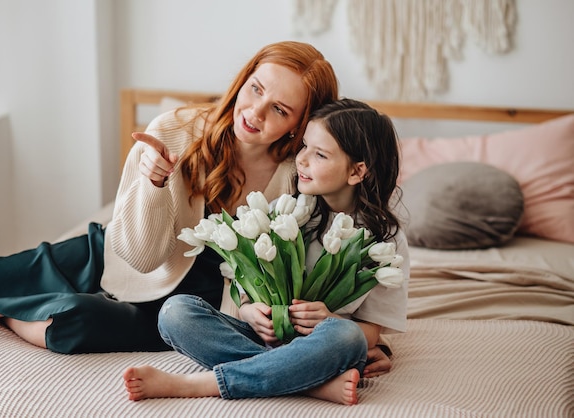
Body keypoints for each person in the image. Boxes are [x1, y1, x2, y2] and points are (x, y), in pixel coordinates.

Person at [0, 41, 343, 355]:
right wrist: (154, 184)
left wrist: (365, 335)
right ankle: (12, 301)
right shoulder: (172, 130)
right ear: (244, 79)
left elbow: (310, 266)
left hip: (194, 299)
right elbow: (140, 254)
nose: (254, 112)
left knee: (69, 324)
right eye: (255, 88)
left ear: (300, 124)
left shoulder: (300, 176)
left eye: (279, 109)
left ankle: (8, 313)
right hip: (119, 254)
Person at [123, 98, 410, 405]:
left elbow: (369, 333)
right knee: (175, 313)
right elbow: (245, 292)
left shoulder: (384, 241)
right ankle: (307, 383)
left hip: (324, 346)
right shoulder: (283, 213)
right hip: (264, 338)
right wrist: (248, 311)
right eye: (304, 147)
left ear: (357, 171)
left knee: (349, 337)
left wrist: (330, 319)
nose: (302, 160)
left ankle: (201, 384)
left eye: (320, 155)